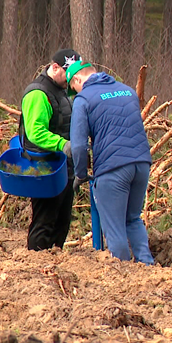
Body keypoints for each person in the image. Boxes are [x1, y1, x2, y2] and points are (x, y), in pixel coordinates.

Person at [67, 61, 155, 265]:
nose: (75, 91)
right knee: (132, 218)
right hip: (141, 164)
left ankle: (122, 274)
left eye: (74, 87)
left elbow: (79, 146)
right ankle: (147, 266)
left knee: (114, 226)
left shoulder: (83, 99)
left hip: (112, 169)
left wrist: (81, 174)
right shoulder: (126, 91)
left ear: (78, 79)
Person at [18, 48, 81, 251]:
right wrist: (63, 145)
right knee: (45, 220)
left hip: (64, 165)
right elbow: (35, 132)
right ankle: (35, 262)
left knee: (62, 221)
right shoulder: (38, 93)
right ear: (55, 68)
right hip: (44, 166)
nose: (72, 79)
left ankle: (55, 260)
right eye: (69, 73)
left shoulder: (62, 91)